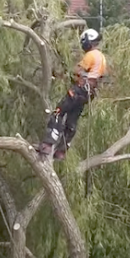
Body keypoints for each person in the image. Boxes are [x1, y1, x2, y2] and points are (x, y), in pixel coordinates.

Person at [38, 28, 107, 159]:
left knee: (58, 112)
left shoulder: (91, 55)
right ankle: (61, 151)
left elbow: (76, 71)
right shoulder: (102, 57)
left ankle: (47, 144)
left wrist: (62, 74)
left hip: (79, 90)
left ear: (88, 42)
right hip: (88, 94)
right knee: (72, 120)